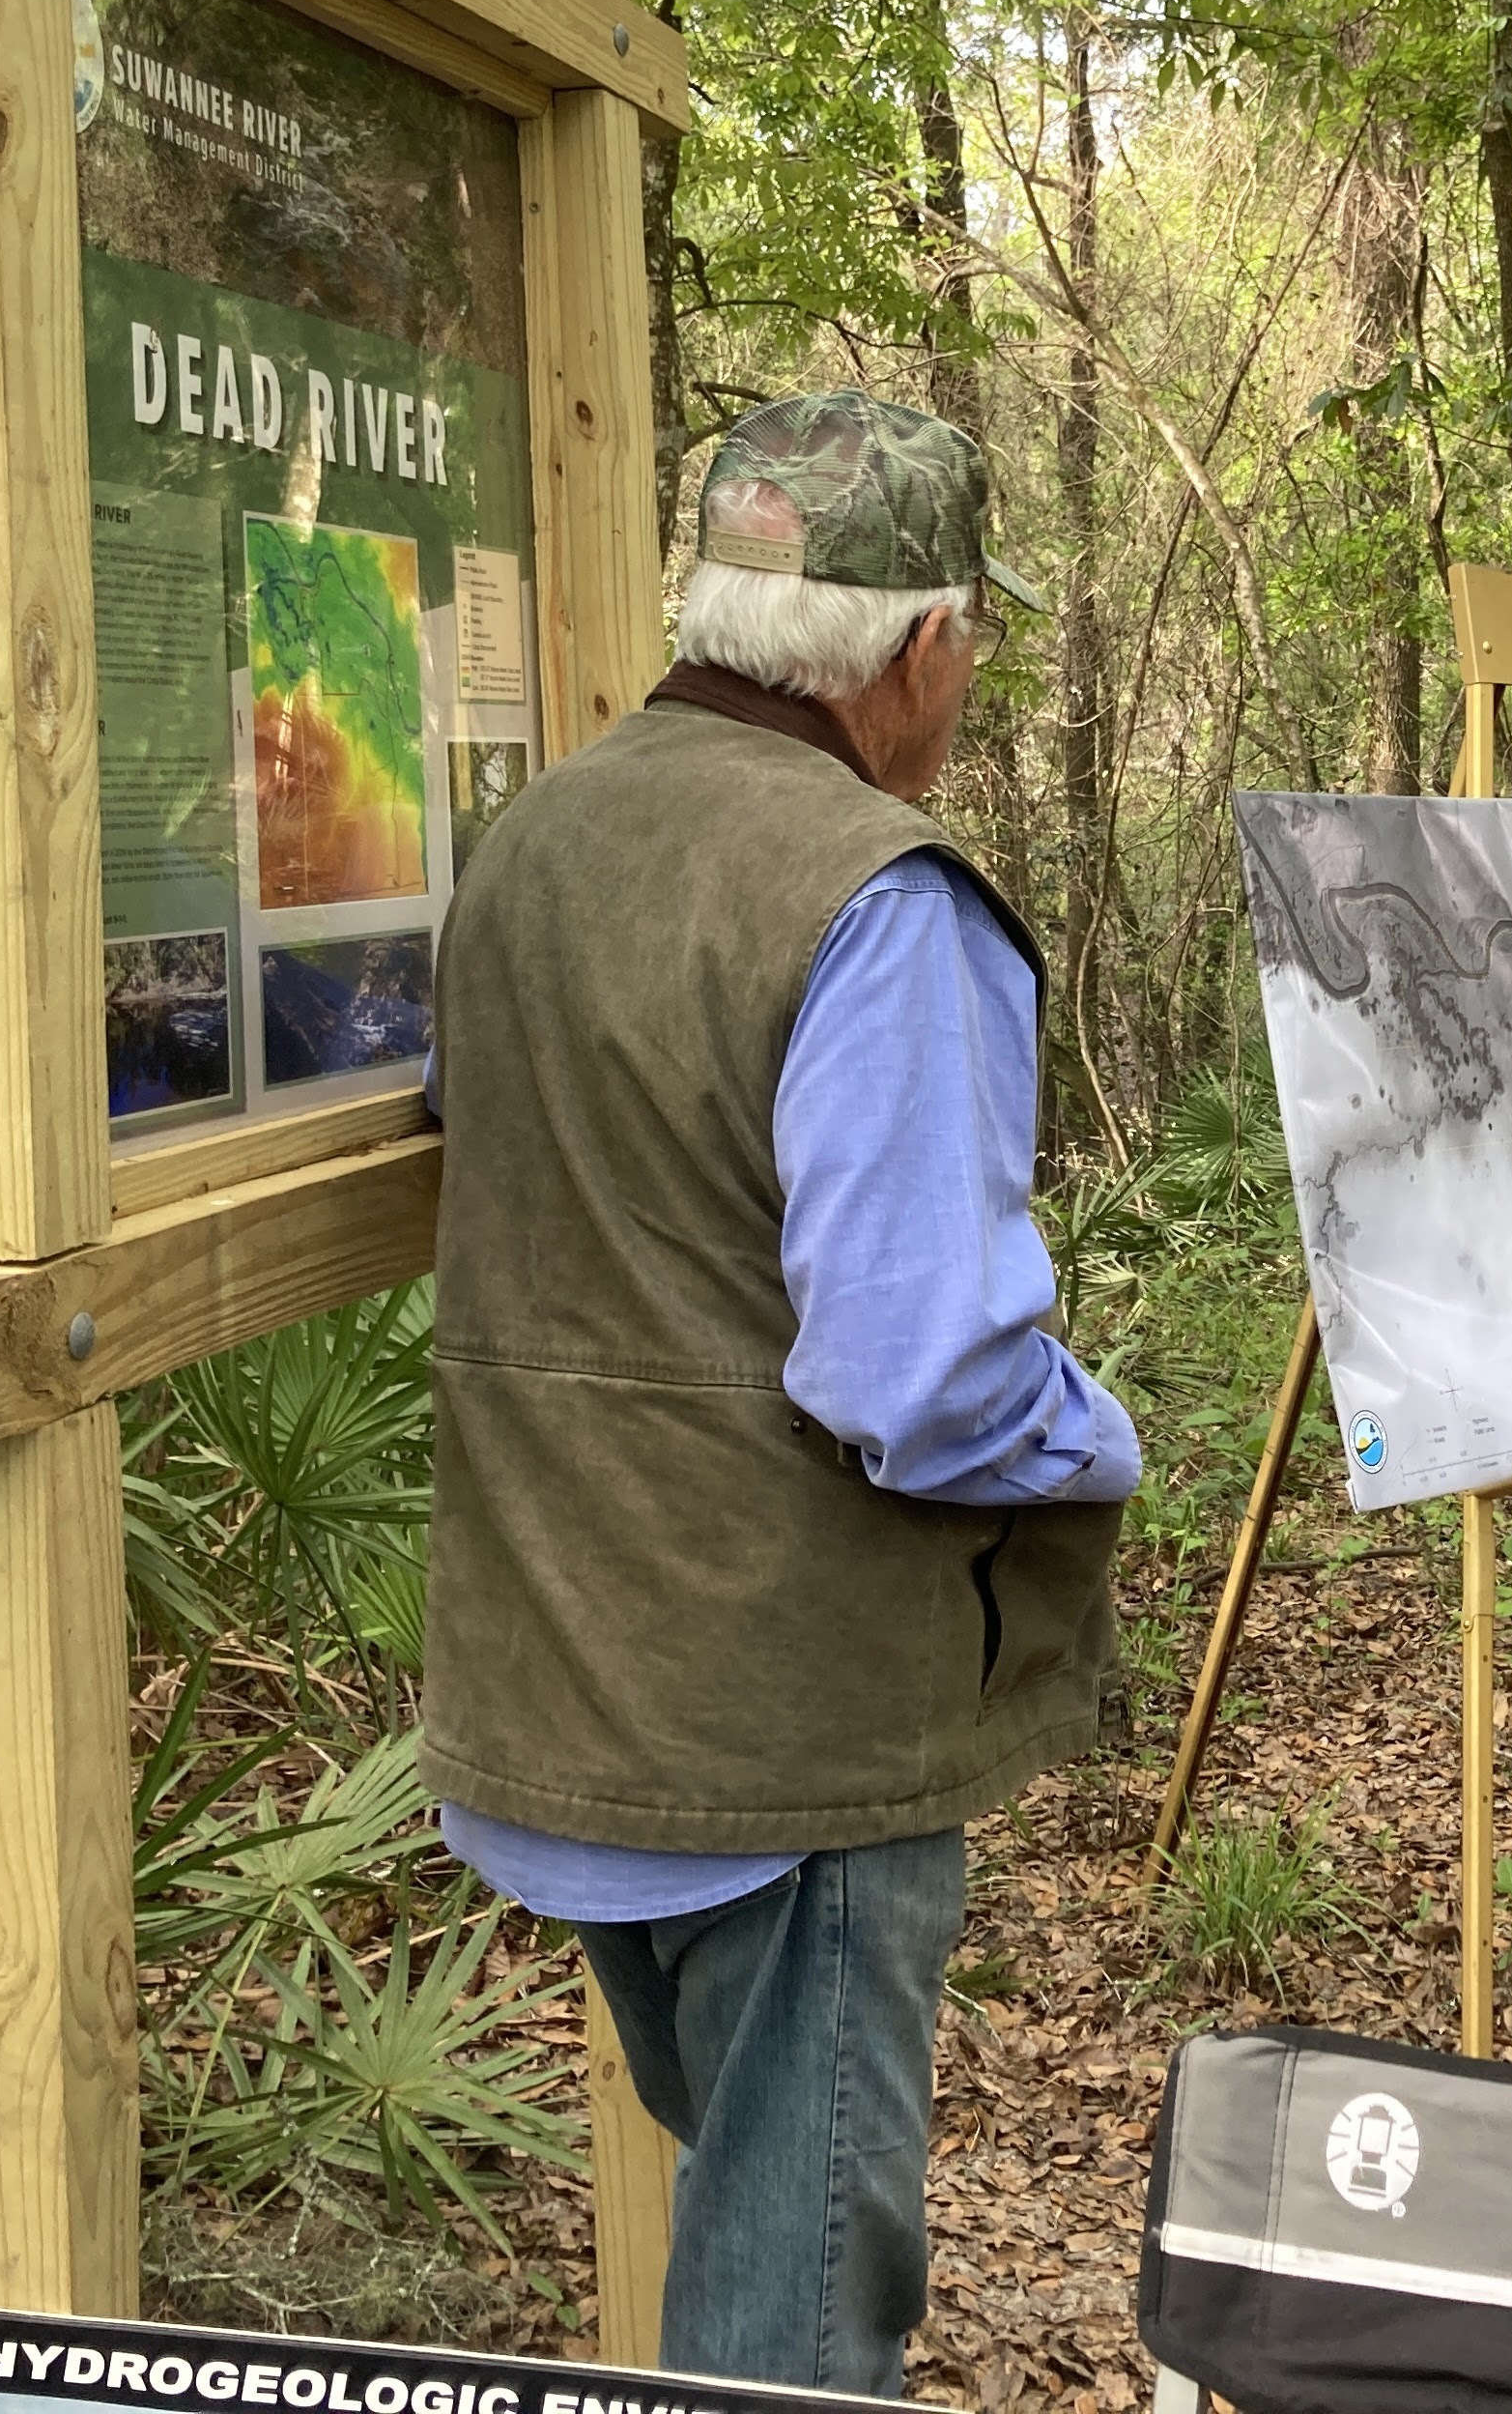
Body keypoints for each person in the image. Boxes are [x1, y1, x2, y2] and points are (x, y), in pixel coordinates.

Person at [421, 391, 1137, 2398]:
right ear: (922, 648)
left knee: (745, 2228)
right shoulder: (881, 902)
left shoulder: (533, 841)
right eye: (972, 645)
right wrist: (1102, 1436)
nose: (968, 685)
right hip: (780, 1739)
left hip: (550, 1685)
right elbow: (923, 1381)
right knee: (794, 2330)